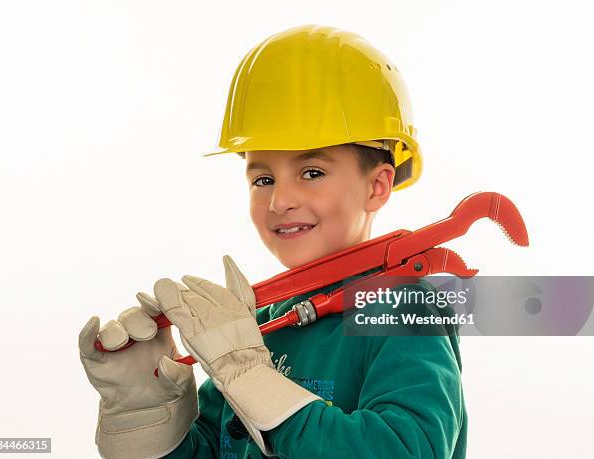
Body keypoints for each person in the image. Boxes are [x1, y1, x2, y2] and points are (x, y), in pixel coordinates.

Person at [79, 25, 467, 458]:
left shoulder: (404, 310)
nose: (280, 200)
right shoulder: (256, 326)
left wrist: (256, 384)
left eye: (312, 172)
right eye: (263, 179)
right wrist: (148, 419)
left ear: (377, 186)